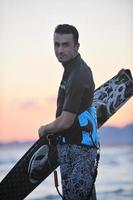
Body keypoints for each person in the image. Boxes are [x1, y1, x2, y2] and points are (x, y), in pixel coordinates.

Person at [38, 24, 100, 200]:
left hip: (80, 152)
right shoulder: (71, 70)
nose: (59, 50)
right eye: (56, 44)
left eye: (65, 44)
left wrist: (44, 129)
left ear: (76, 46)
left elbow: (65, 121)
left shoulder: (78, 73)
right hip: (71, 148)